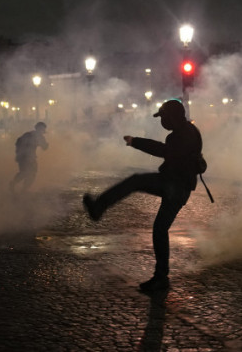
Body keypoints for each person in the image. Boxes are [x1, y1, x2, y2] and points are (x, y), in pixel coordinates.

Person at [82, 99, 202, 293]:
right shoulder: (186, 131)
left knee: (136, 181)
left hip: (175, 186)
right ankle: (161, 277)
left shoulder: (184, 135)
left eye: (163, 117)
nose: (162, 121)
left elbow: (164, 151)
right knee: (159, 229)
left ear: (172, 116)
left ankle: (98, 208)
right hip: (178, 186)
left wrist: (136, 142)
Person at [10, 122, 49, 193]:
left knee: (25, 172)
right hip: (29, 157)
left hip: (22, 157)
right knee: (31, 173)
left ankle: (14, 184)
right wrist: (46, 145)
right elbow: (44, 147)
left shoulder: (28, 134)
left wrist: (18, 153)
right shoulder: (39, 137)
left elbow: (18, 142)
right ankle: (23, 188)